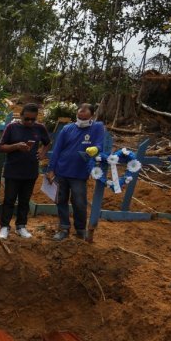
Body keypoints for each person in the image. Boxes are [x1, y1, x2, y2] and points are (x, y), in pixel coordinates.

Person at [45, 103, 105, 241]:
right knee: (61, 201)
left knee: (79, 202)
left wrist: (95, 149)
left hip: (79, 173)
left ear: (92, 115)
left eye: (85, 113)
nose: (82, 115)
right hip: (61, 171)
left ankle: (80, 229)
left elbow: (100, 144)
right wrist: (51, 169)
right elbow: (57, 150)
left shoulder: (96, 127)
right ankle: (64, 228)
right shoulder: (67, 128)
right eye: (80, 112)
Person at [0, 103, 50, 239]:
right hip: (13, 169)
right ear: (21, 116)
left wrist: (43, 153)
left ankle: (21, 226)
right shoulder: (12, 127)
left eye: (33, 119)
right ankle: (4, 226)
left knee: (25, 200)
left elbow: (47, 142)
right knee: (9, 199)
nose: (30, 122)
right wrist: (15, 146)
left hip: (30, 170)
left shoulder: (40, 128)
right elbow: (1, 147)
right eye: (27, 119)